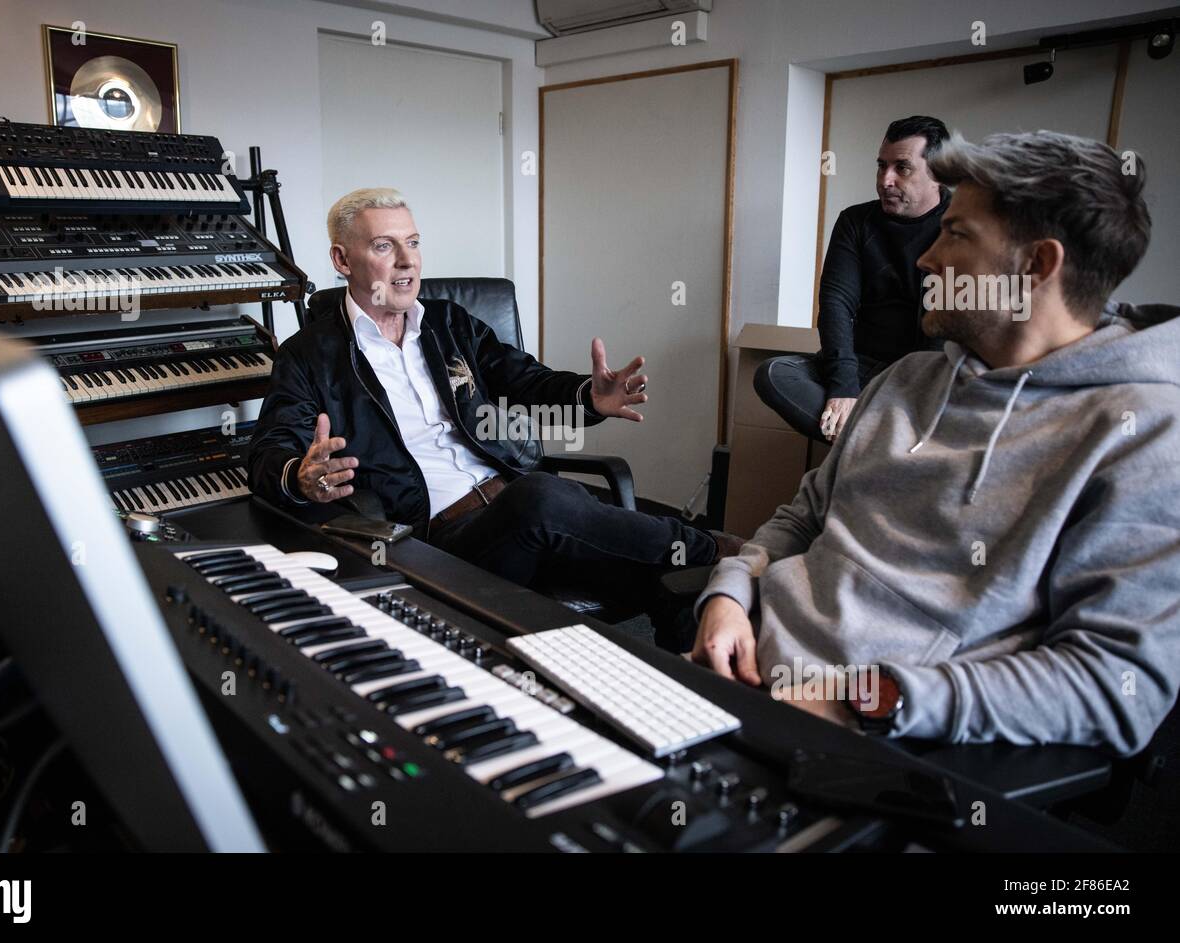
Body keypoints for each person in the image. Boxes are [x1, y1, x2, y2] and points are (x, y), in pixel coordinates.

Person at [694, 130, 1179, 756]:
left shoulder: (1143, 434)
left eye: (955, 234)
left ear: (1037, 265)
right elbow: (803, 518)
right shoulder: (907, 379)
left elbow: (1117, 685)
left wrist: (869, 701)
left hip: (868, 742)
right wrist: (731, 593)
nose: (926, 258)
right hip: (736, 669)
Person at [248, 187, 743, 589]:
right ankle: (717, 549)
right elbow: (269, 451)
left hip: (515, 501)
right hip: (438, 537)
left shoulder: (448, 323)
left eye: (413, 243)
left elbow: (524, 379)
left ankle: (703, 615)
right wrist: (300, 476)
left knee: (665, 581)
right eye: (384, 246)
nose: (407, 261)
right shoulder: (309, 356)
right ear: (342, 259)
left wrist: (587, 397)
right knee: (545, 499)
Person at [757, 115, 951, 441]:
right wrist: (843, 387)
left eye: (902, 168)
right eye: (881, 166)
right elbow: (836, 303)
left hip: (923, 376)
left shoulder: (961, 226)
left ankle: (872, 441)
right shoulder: (856, 221)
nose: (885, 180)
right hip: (861, 367)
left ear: (939, 174)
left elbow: (947, 330)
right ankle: (880, 442)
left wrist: (916, 392)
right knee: (774, 374)